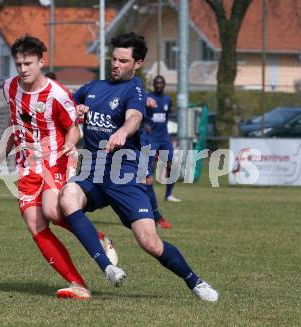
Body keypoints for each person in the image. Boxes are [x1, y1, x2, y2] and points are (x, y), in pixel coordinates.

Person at [58, 32, 218, 301]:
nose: (116, 64)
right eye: (113, 59)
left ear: (138, 63)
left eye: (123, 60)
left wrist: (123, 132)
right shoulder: (92, 87)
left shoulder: (135, 91)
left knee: (150, 242)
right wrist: (76, 110)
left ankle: (195, 281)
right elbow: (66, 107)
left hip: (123, 176)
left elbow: (133, 118)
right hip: (93, 173)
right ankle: (107, 266)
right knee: (65, 198)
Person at [0, 35, 117, 300]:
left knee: (51, 210)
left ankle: (99, 240)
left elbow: (73, 129)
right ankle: (78, 284)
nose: (23, 69)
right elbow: (16, 125)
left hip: (56, 160)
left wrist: (70, 145)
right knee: (35, 224)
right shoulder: (9, 88)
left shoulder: (57, 94)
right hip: (26, 167)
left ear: (41, 62)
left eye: (28, 63)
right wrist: (2, 152)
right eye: (18, 64)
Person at [140, 76, 176, 229]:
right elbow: (142, 114)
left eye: (161, 83)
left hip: (164, 138)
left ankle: (168, 194)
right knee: (148, 172)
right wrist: (146, 124)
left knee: (171, 165)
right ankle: (148, 201)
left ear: (164, 85)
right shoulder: (149, 98)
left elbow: (166, 117)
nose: (158, 86)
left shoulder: (168, 100)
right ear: (153, 85)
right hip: (151, 139)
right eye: (156, 84)